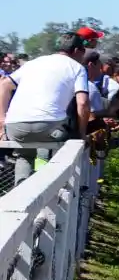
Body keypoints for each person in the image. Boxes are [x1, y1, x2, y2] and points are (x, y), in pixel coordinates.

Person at [0, 32, 91, 184]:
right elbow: (83, 103)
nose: (83, 56)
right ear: (76, 51)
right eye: (83, 52)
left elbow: (4, 85)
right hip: (49, 128)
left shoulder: (33, 63)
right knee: (60, 151)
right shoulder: (77, 68)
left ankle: (21, 191)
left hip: (15, 127)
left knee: (25, 156)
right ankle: (55, 194)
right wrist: (81, 134)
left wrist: (2, 121)